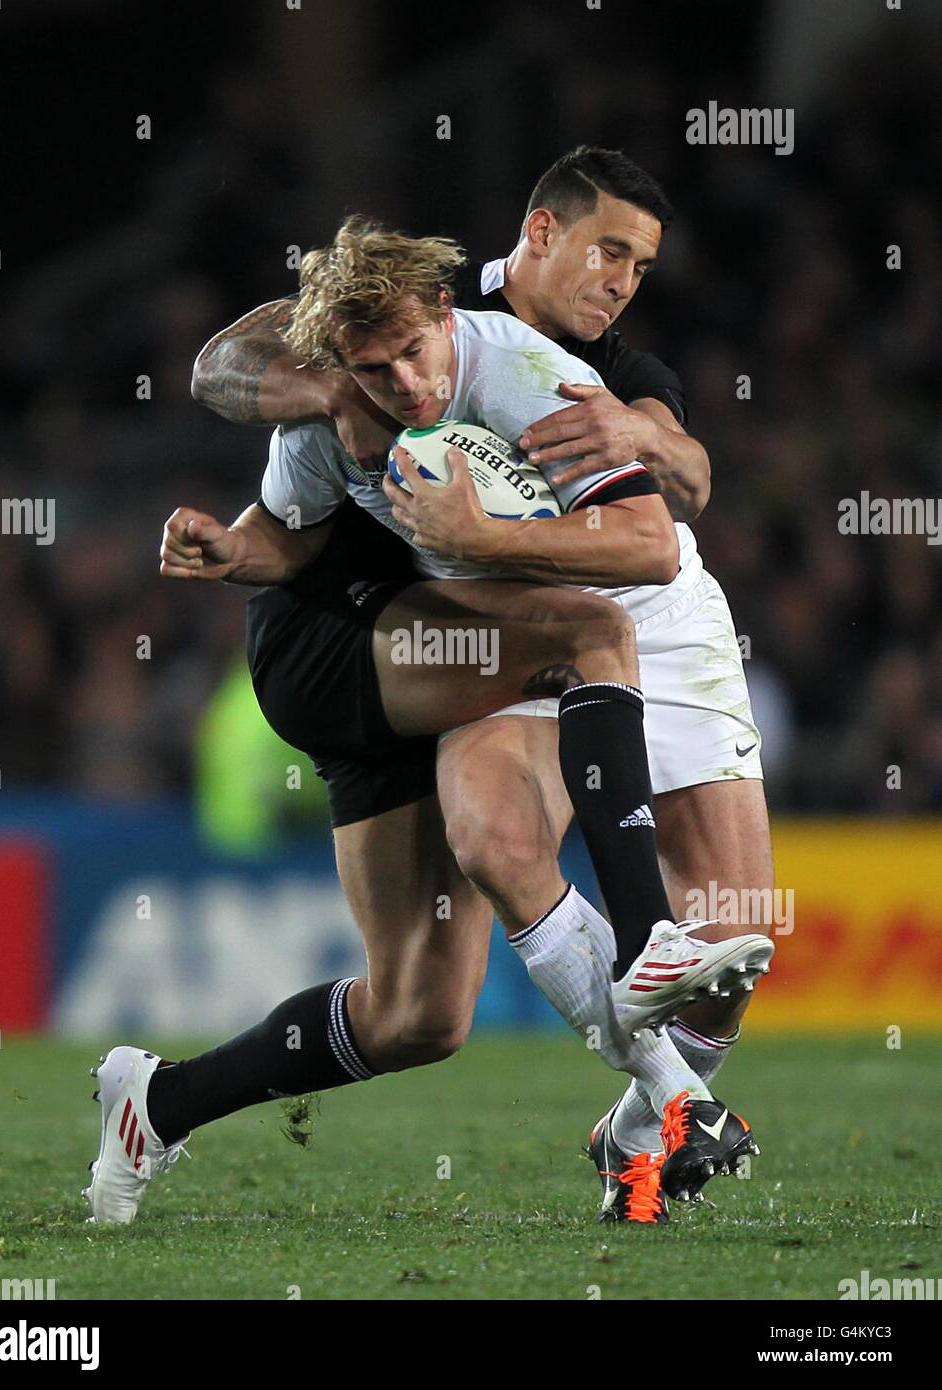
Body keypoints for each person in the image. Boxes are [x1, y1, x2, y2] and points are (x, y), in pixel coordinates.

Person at [191, 147, 774, 1198]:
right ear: (538, 234)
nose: (621, 281)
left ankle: (645, 1120)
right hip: (473, 626)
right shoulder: (393, 316)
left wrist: (644, 434)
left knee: (733, 932)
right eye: (608, 251)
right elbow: (217, 367)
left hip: (645, 616)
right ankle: (653, 1005)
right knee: (493, 849)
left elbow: (682, 491)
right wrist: (325, 389)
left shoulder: (599, 373)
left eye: (640, 265)